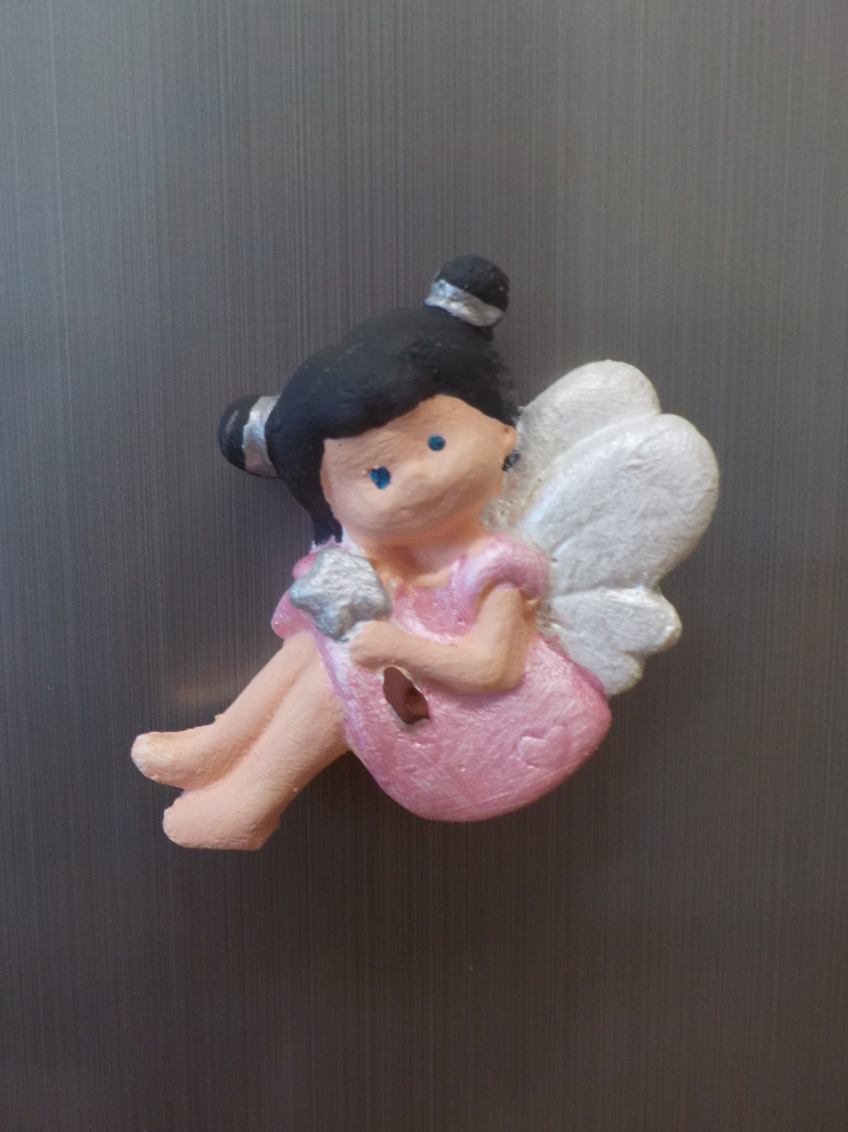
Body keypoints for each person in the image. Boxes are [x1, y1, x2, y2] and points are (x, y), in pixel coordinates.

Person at [132, 256, 611, 849]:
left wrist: (397, 645)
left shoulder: (496, 568)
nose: (417, 477)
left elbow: (495, 668)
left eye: (437, 441)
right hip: (424, 697)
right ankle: (224, 741)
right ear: (335, 501)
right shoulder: (398, 568)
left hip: (506, 731)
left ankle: (250, 801)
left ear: (502, 433)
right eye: (378, 476)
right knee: (317, 642)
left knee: (339, 676)